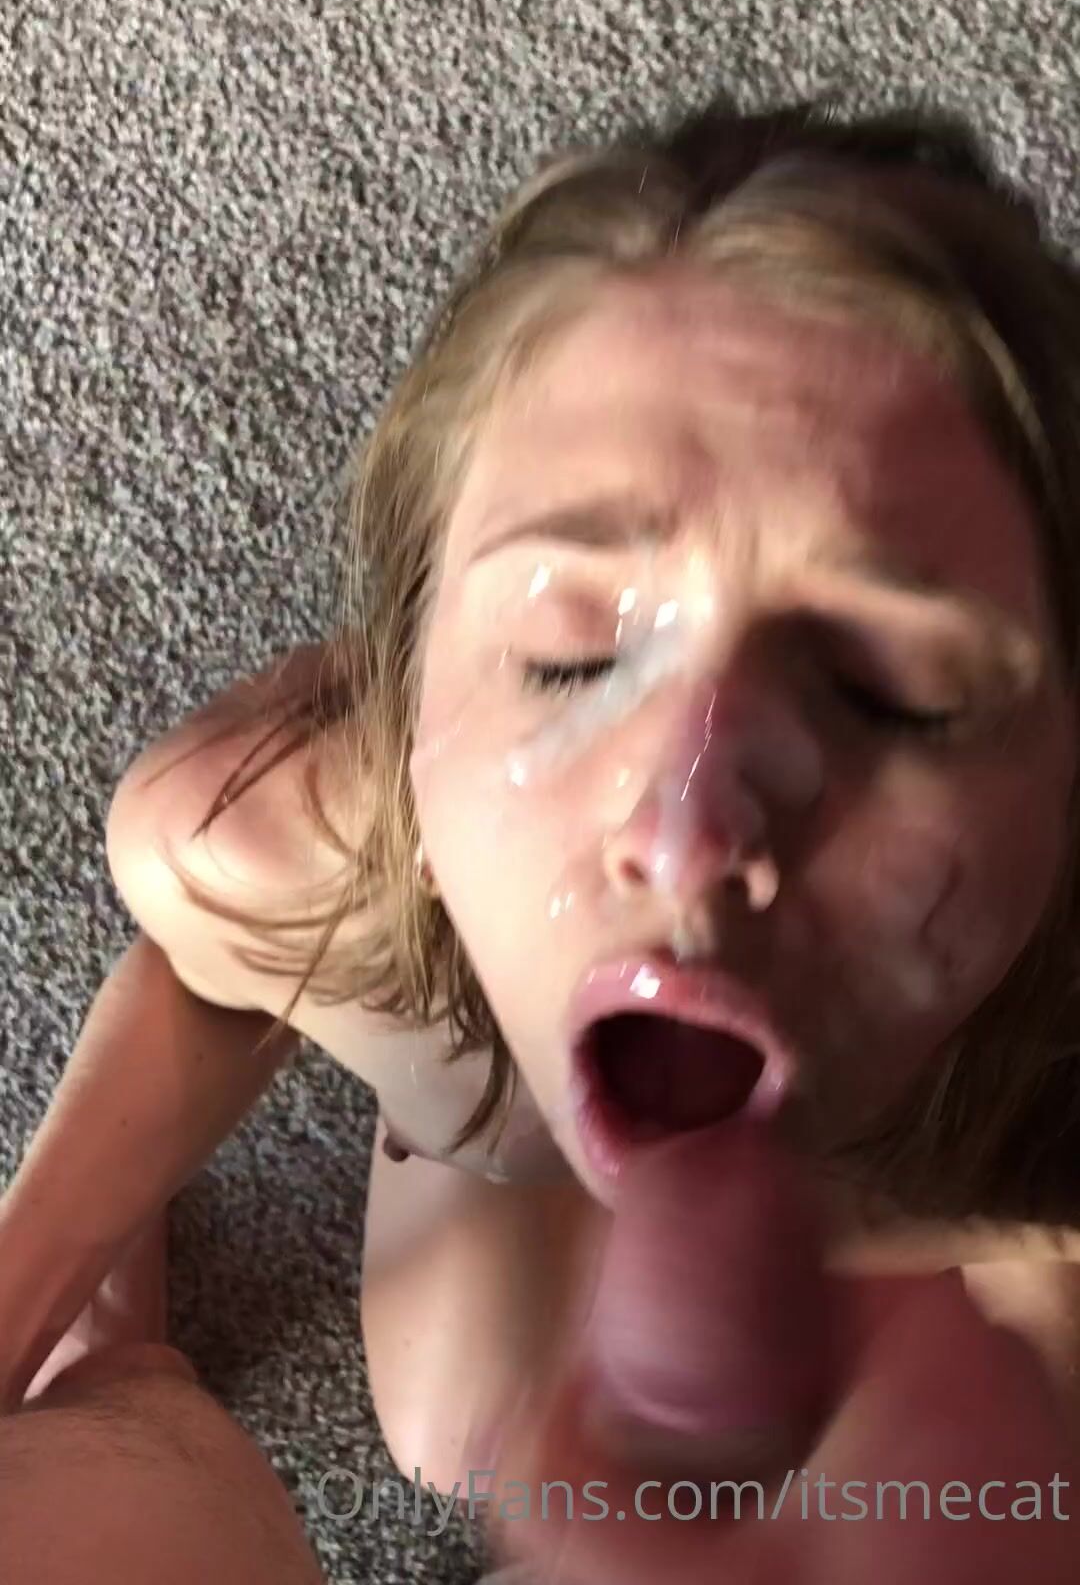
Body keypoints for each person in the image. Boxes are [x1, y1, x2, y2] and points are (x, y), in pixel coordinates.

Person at [4, 93, 1080, 1581]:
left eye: (892, 689)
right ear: (409, 693)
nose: (688, 834)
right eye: (574, 659)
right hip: (487, 1081)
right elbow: (213, 980)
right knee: (462, 1437)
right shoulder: (260, 837)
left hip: (949, 1183)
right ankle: (119, 1341)